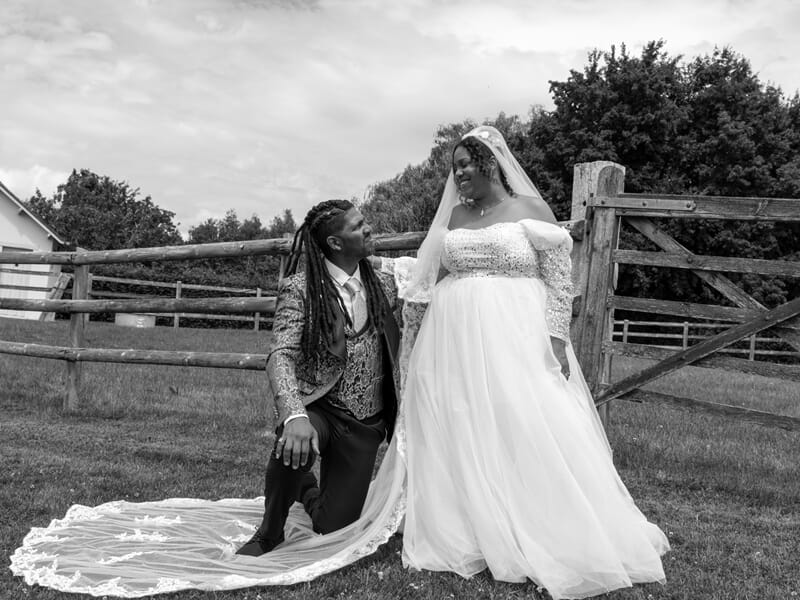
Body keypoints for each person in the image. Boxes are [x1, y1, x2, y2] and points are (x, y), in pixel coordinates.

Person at [388, 124, 670, 599]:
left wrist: (557, 338)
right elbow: (428, 273)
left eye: (464, 166)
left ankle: (546, 523)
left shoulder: (531, 210)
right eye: (454, 169)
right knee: (463, 422)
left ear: (490, 164)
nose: (457, 176)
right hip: (453, 338)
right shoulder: (454, 216)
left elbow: (560, 278)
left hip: (516, 335)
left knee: (526, 419)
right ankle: (470, 527)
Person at [237, 199, 401, 556]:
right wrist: (293, 413)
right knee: (292, 439)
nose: (368, 228)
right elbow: (281, 354)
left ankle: (306, 490)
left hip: (365, 422)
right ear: (335, 243)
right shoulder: (301, 287)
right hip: (319, 407)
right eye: (358, 226)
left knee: (333, 529)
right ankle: (269, 532)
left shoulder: (386, 285)